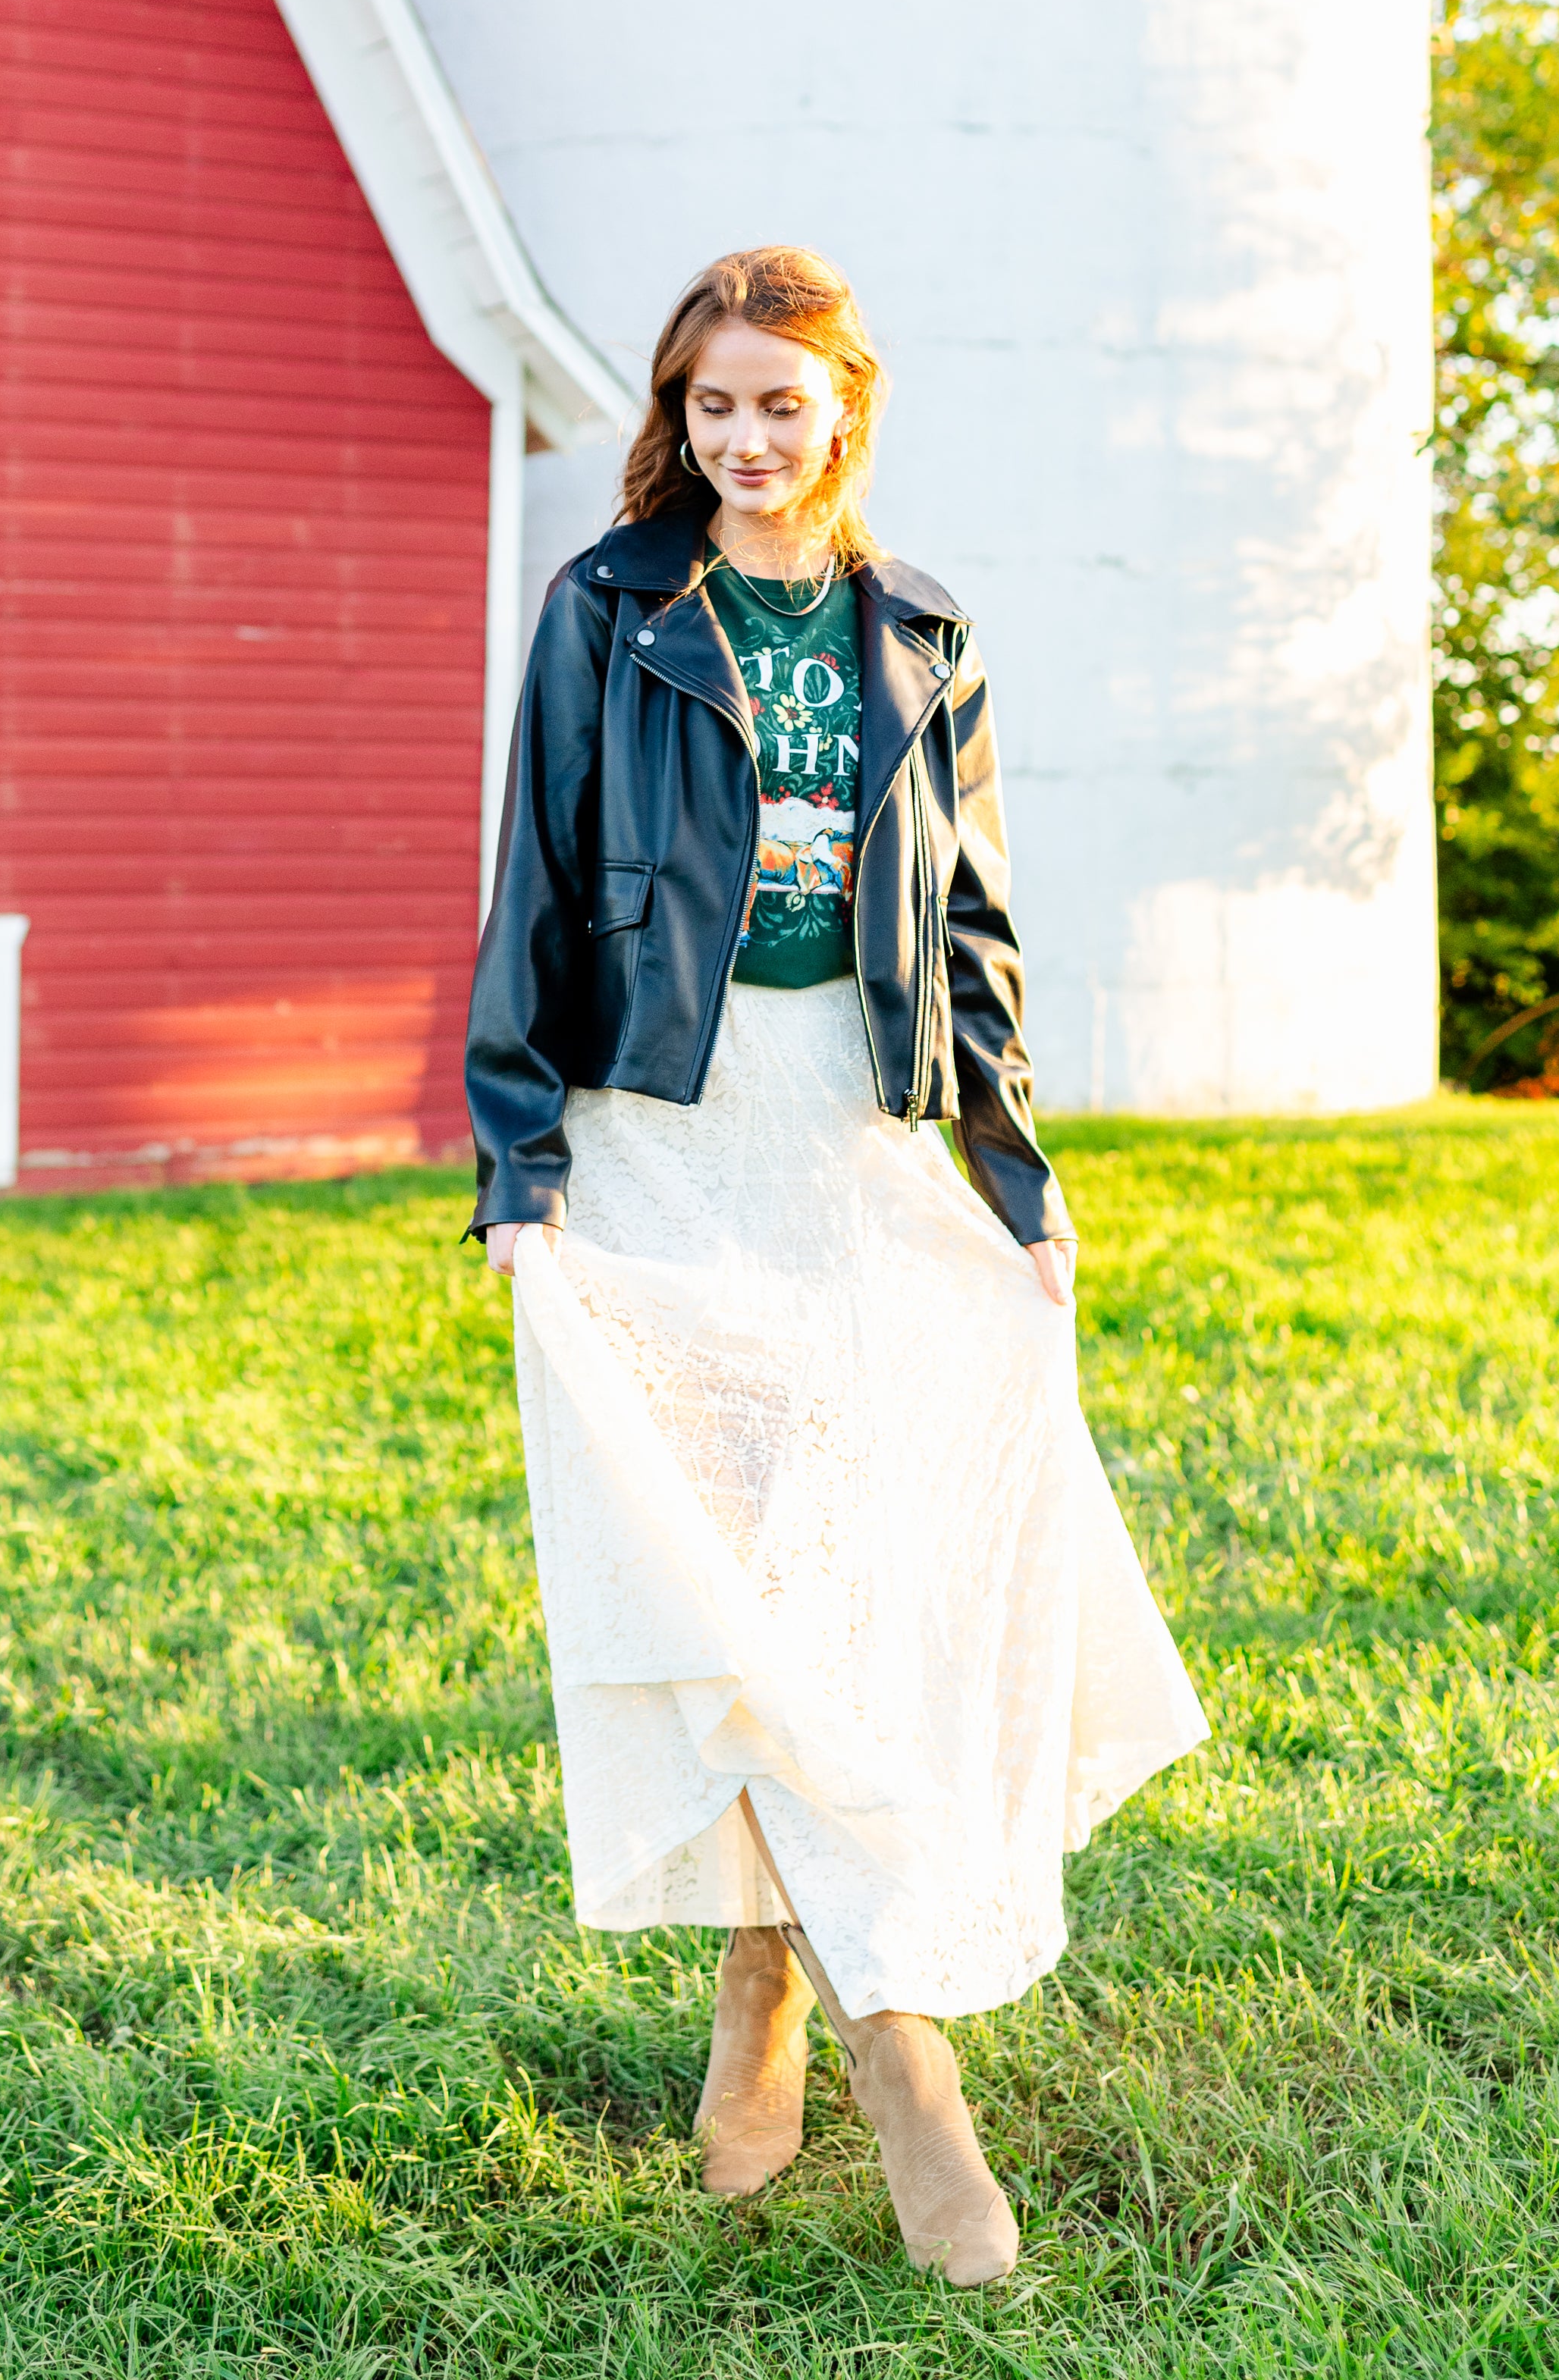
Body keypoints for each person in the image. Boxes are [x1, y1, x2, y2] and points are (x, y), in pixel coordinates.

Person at [465, 246, 1206, 2286]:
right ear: (677, 418)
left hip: (855, 1128)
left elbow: (971, 926)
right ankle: (906, 2062)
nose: (749, 438)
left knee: (878, 1572)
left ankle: (762, 1980)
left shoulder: (925, 630)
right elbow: (533, 878)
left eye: (783, 405)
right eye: (715, 405)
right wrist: (517, 1156)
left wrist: (1017, 1172)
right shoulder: (609, 609)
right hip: (658, 1135)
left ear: (846, 412)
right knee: (727, 1580)